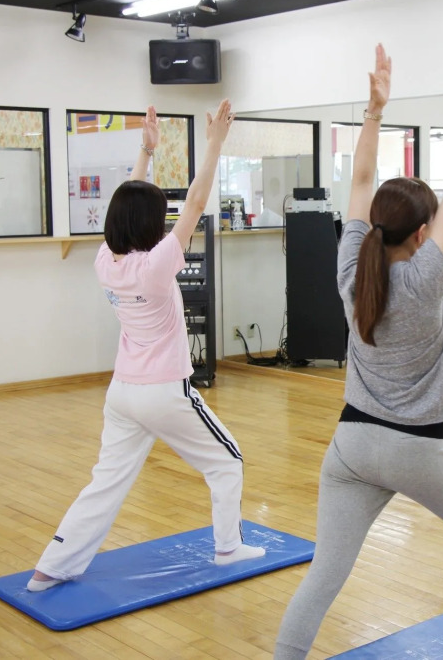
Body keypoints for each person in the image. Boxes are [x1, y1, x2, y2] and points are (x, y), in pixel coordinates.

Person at [273, 40, 443, 660]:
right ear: (422, 234)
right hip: (419, 449)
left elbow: (361, 180)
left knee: (326, 571)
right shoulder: (424, 280)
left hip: (351, 446)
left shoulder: (350, 267)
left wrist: (373, 112)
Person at [27, 102, 265, 592]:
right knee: (228, 461)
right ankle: (228, 548)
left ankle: (51, 567)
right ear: (151, 226)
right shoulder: (156, 267)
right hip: (164, 391)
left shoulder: (105, 261)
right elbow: (195, 204)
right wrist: (215, 144)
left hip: (122, 394)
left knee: (106, 481)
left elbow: (127, 204)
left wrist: (146, 152)